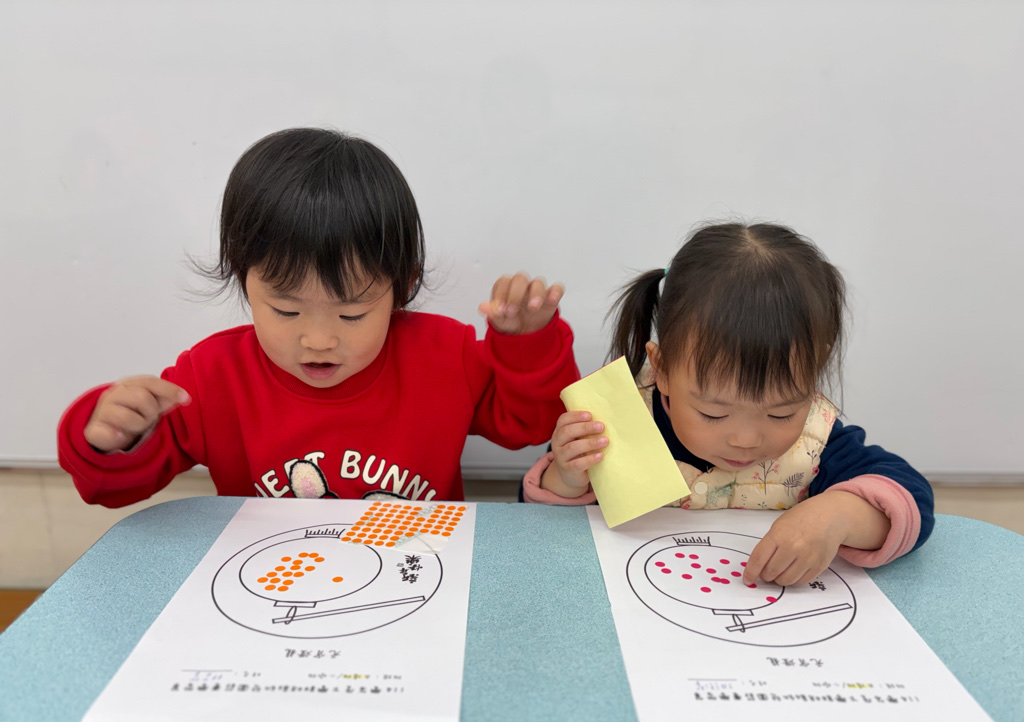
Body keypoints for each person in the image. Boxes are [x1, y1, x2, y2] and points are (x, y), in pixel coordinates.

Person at [58, 127, 579, 507]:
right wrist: (110, 434)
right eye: (286, 309)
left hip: (419, 580)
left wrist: (526, 344)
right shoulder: (212, 376)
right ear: (243, 279)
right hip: (270, 589)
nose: (318, 339)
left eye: (352, 314)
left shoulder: (444, 356)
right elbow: (110, 488)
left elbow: (533, 426)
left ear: (403, 287)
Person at [523, 221, 933, 586]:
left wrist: (838, 515)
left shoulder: (816, 441)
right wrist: (568, 477)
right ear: (662, 369)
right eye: (713, 413)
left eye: (781, 413)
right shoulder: (621, 421)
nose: (745, 439)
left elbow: (912, 501)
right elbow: (538, 531)